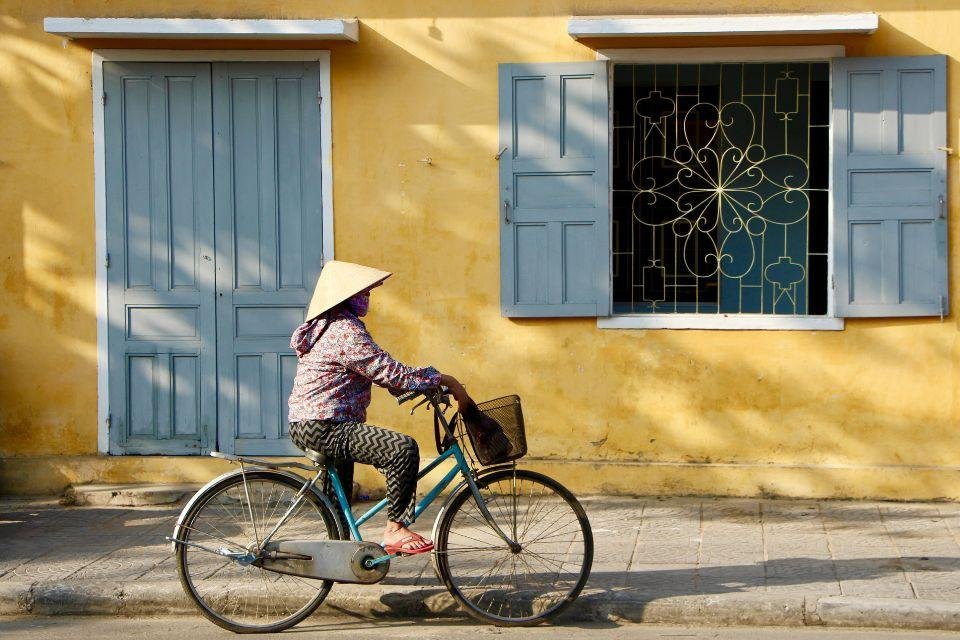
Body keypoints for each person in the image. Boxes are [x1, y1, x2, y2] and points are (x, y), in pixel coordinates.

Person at [286, 260, 471, 555]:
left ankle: (338, 557)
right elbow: (388, 371)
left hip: (316, 423)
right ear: (346, 298)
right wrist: (444, 379)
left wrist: (415, 386)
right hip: (325, 426)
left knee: (338, 502)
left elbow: (378, 372)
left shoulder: (330, 327)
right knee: (402, 450)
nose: (367, 298)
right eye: (363, 293)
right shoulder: (345, 331)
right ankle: (396, 528)